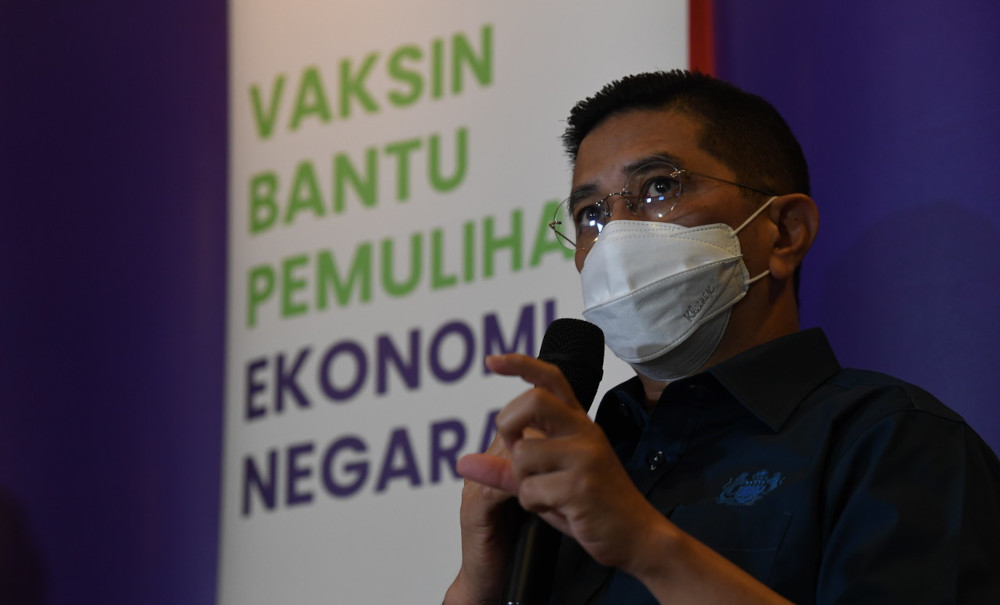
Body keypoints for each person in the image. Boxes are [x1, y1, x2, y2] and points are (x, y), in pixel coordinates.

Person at [443, 70, 1000, 604]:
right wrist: (478, 582)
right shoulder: (578, 467)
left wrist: (648, 547)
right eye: (590, 214)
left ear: (784, 233)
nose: (615, 234)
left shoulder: (891, 441)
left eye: (659, 187)